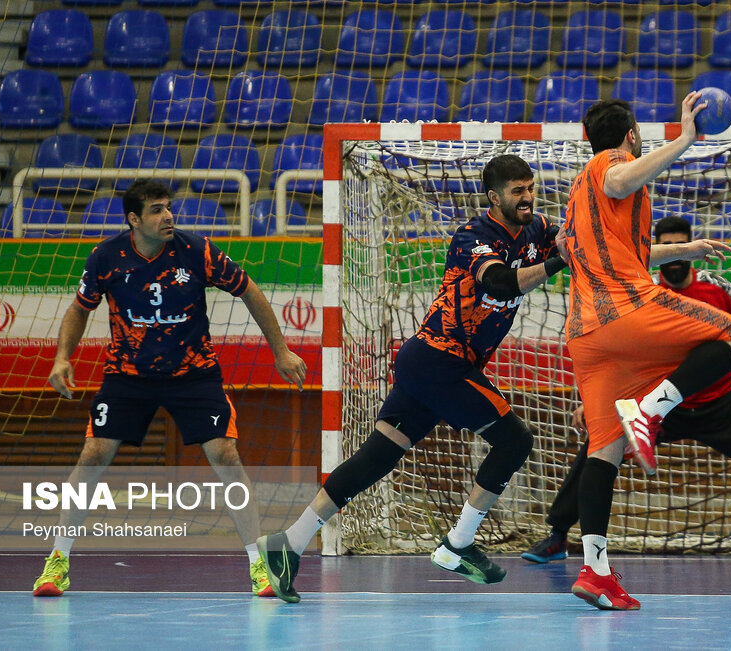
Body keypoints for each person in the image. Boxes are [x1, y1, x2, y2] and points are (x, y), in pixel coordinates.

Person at [255, 154, 569, 603]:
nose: (527, 197)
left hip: (434, 365)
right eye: (517, 191)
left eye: (531, 188)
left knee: (377, 458)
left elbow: (573, 240)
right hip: (440, 361)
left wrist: (588, 239)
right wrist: (559, 262)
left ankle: (287, 544)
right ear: (493, 197)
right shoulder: (474, 237)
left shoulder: (537, 228)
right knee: (515, 441)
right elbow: (500, 284)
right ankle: (458, 544)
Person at [522, 215, 731, 571]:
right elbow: (613, 351)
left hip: (717, 405)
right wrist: (592, 402)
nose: (675, 258)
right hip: (658, 407)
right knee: (596, 452)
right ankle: (557, 535)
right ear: (658, 252)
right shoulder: (640, 293)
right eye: (668, 249)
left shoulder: (717, 289)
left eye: (680, 248)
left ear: (690, 250)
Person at [32, 179, 308, 598]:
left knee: (226, 454)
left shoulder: (197, 251)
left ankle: (258, 564)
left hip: (194, 374)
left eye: (168, 207)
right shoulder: (106, 257)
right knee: (93, 454)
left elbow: (249, 290)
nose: (168, 217)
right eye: (157, 210)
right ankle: (57, 561)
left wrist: (281, 351)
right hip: (128, 375)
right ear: (133, 219)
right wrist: (62, 358)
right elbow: (79, 309)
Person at [558, 95, 731, 611]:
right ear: (630, 135)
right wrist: (686, 139)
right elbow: (618, 180)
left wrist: (684, 250)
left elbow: (625, 254)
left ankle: (595, 571)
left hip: (585, 335)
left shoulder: (577, 196)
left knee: (604, 450)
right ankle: (651, 410)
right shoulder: (609, 165)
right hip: (625, 312)